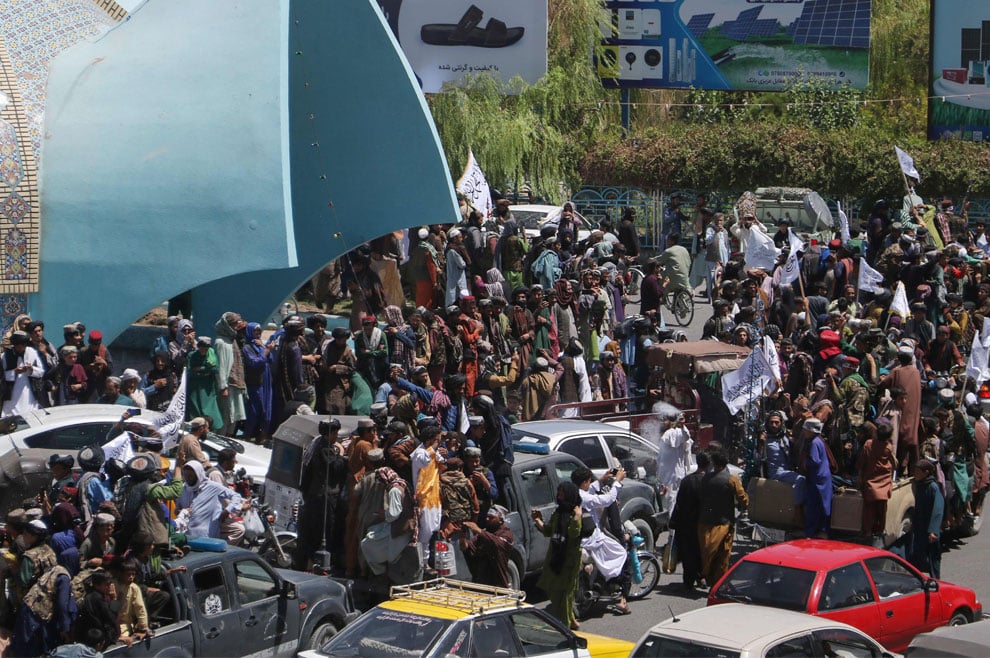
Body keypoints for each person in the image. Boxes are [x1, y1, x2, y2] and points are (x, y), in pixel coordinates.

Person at [571, 466, 631, 616]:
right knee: (621, 554)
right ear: (584, 482)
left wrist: (602, 479)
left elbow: (588, 492)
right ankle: (614, 589)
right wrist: (617, 482)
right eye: (588, 481)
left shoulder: (574, 492)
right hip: (592, 540)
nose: (590, 484)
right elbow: (606, 500)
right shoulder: (583, 497)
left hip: (583, 539)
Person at [294, 418, 348, 571]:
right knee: (324, 532)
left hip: (314, 497)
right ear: (329, 434)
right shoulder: (324, 449)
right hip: (323, 499)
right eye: (336, 433)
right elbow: (336, 468)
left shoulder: (316, 445)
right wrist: (342, 454)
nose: (337, 436)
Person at [532, 482, 583, 630]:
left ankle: (565, 628)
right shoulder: (559, 512)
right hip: (555, 558)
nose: (559, 495)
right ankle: (571, 619)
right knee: (552, 589)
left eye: (562, 493)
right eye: (559, 492)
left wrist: (577, 517)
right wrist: (537, 519)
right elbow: (549, 531)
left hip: (569, 561)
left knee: (564, 595)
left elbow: (574, 534)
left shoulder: (576, 512)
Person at [697, 450, 748, 586]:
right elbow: (743, 499)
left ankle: (705, 576)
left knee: (706, 553)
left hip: (704, 523)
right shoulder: (732, 480)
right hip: (724, 524)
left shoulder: (706, 478)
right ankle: (718, 583)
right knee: (723, 555)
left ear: (714, 463)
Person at [669, 451, 709, 591]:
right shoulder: (708, 482)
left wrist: (674, 521)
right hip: (702, 524)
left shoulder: (687, 481)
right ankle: (701, 577)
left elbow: (679, 502)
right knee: (701, 551)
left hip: (685, 523)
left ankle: (688, 580)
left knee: (687, 552)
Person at [858, 422, 896, 541]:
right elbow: (895, 463)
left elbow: (861, 462)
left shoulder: (868, 444)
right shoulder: (888, 447)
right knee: (882, 509)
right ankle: (880, 532)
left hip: (870, 482)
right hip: (883, 483)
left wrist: (860, 476)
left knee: (869, 509)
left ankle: (868, 533)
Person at [461, 505, 515, 588]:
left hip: (498, 585)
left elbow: (497, 543)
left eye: (491, 517)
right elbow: (468, 547)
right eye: (487, 517)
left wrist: (478, 530)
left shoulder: (507, 535)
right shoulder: (484, 534)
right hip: (481, 583)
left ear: (500, 520)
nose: (487, 519)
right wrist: (462, 537)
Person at [214, 311, 248, 436]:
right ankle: (220, 439)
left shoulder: (231, 340)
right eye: (233, 324)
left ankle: (228, 439)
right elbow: (221, 367)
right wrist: (223, 386)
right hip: (228, 384)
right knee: (226, 414)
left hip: (235, 383)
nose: (235, 327)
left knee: (234, 416)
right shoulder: (221, 342)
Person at [909, 459, 944, 578]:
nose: (915, 473)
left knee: (933, 556)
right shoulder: (919, 485)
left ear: (926, 472)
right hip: (919, 528)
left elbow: (938, 510)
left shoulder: (933, 487)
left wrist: (933, 531)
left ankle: (936, 580)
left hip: (929, 530)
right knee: (917, 555)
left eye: (918, 471)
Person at [800, 418, 833, 538]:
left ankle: (812, 531)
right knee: (824, 505)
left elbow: (814, 461)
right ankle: (822, 530)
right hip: (823, 477)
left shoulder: (814, 443)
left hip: (817, 478)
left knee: (814, 505)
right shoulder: (819, 441)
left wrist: (804, 463)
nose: (804, 432)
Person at [2, 330, 44, 417]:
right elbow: (2, 376)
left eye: (23, 346)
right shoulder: (5, 356)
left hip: (29, 394)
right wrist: (14, 372)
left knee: (30, 415)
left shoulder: (32, 352)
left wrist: (31, 369)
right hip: (12, 395)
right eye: (18, 346)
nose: (20, 348)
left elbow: (41, 372)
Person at [186, 336, 223, 431]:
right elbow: (191, 371)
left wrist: (200, 369)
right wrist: (206, 371)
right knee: (196, 412)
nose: (204, 349)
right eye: (201, 347)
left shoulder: (211, 354)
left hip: (208, 390)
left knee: (211, 412)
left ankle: (211, 432)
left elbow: (215, 369)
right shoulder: (192, 355)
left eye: (206, 347)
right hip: (195, 389)